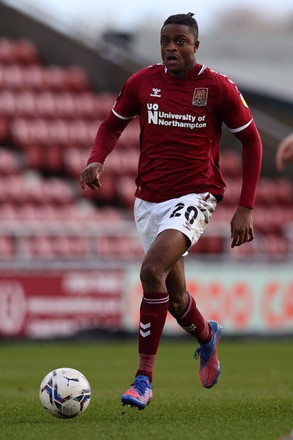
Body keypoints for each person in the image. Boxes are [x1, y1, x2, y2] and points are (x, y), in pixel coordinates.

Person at [80, 12, 263, 410]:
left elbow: (252, 142)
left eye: (180, 41)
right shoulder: (142, 82)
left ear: (196, 45)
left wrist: (245, 206)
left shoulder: (217, 88)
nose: (171, 48)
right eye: (166, 40)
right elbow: (111, 125)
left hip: (196, 196)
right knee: (176, 299)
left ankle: (143, 379)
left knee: (151, 270)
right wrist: (97, 159)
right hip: (149, 201)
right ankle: (206, 336)